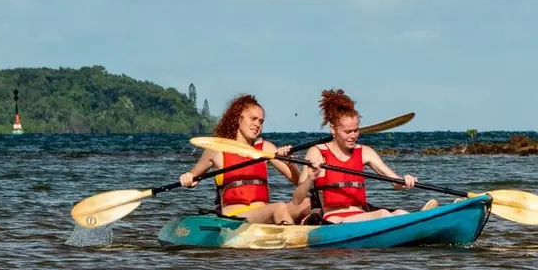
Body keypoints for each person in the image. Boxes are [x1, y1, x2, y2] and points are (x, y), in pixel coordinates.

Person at [297, 89, 436, 223]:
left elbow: (396, 183)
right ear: (333, 129)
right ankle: (417, 222)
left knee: (401, 212)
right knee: (383, 214)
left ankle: (418, 222)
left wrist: (405, 181)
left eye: (356, 130)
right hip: (334, 219)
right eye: (348, 132)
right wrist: (311, 178)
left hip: (360, 214)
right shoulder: (317, 152)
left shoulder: (365, 152)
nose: (353, 136)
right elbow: (297, 198)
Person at [178, 94, 309, 225]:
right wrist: (188, 177)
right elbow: (194, 177)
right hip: (235, 218)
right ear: (238, 118)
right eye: (253, 119)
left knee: (307, 203)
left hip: (263, 213)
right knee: (279, 207)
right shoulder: (217, 149)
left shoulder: (265, 148)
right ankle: (289, 237)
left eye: (261, 121)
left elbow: (299, 182)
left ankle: (311, 231)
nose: (257, 124)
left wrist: (290, 163)